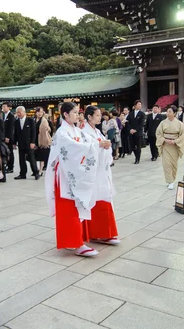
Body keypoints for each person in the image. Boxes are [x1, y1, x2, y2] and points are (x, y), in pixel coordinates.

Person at [45, 102, 108, 257]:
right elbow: (74, 148)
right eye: (74, 112)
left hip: (73, 173)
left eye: (77, 112)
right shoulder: (62, 132)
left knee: (76, 206)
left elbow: (89, 141)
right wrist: (97, 145)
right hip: (65, 175)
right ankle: (76, 243)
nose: (77, 115)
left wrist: (99, 144)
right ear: (65, 114)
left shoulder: (75, 130)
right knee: (69, 209)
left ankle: (74, 241)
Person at [82, 106, 120, 245]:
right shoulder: (84, 132)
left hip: (101, 172)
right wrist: (99, 145)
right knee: (95, 200)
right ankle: (97, 233)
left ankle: (106, 232)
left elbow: (102, 148)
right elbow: (84, 151)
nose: (99, 117)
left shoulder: (97, 131)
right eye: (97, 115)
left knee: (104, 198)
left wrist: (106, 146)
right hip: (92, 174)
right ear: (89, 117)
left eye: (99, 115)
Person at [156, 105, 184, 190]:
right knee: (166, 164)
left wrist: (175, 141)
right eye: (167, 111)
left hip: (174, 146)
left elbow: (182, 135)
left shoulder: (179, 124)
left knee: (173, 164)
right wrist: (164, 140)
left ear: (175, 113)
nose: (168, 113)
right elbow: (158, 133)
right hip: (165, 145)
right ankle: (170, 181)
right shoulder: (163, 123)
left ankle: (173, 179)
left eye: (170, 112)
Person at [13, 106, 40, 180]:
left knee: (31, 158)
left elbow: (34, 132)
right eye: (17, 112)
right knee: (21, 159)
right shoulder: (16, 122)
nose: (18, 114)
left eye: (20, 112)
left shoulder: (30, 121)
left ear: (24, 112)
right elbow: (15, 133)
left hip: (29, 143)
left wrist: (32, 142)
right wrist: (14, 143)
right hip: (20, 143)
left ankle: (36, 172)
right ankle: (22, 174)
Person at [35, 107, 53, 176]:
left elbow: (48, 130)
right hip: (35, 139)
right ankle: (37, 169)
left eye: (41, 112)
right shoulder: (33, 120)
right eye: (38, 112)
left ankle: (40, 170)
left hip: (42, 139)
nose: (40, 113)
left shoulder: (44, 120)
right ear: (36, 112)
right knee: (37, 155)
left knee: (42, 156)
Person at [2, 102, 15, 173]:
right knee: (6, 152)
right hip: (4, 137)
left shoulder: (11, 116)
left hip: (9, 137)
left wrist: (8, 137)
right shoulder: (4, 115)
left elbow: (11, 128)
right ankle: (7, 165)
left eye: (4, 106)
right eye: (2, 107)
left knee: (10, 152)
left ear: (9, 107)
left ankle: (10, 167)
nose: (3, 108)